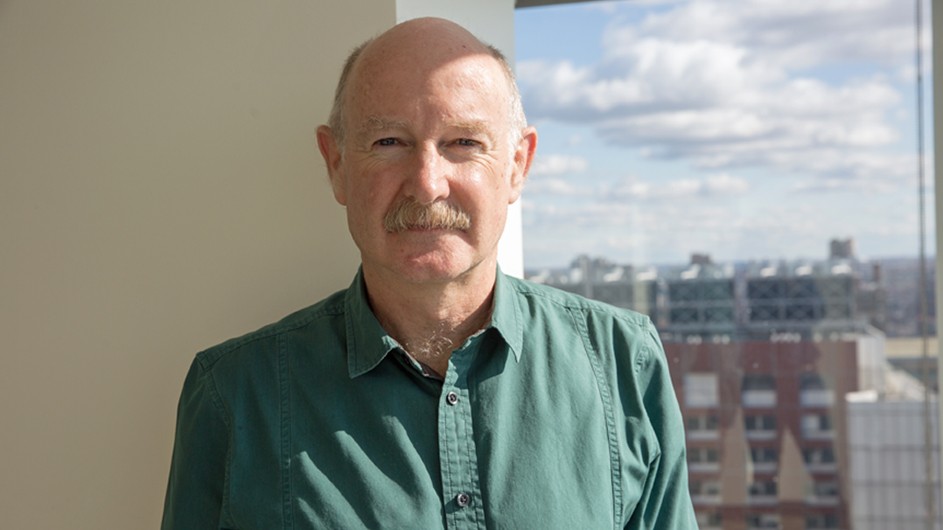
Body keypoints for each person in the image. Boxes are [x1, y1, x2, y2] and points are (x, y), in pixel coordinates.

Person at [161, 17, 697, 529]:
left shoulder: (627, 364)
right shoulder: (233, 396)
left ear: (517, 166)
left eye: (463, 143)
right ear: (336, 164)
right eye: (389, 143)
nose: (427, 184)